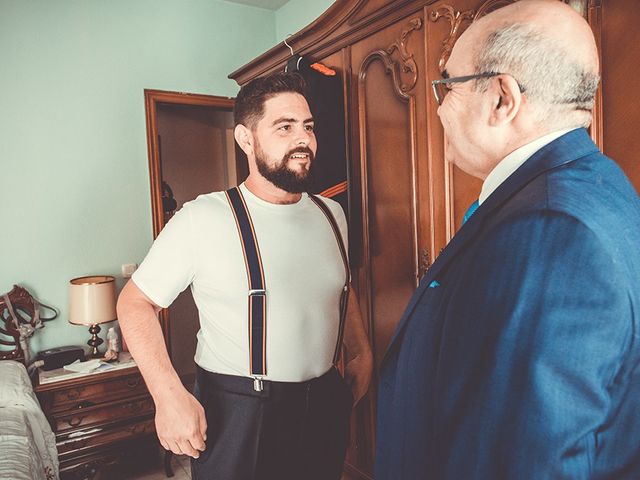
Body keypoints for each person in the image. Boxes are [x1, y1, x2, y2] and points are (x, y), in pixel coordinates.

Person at [375, 1, 640, 478]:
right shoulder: (595, 184)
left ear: (501, 98)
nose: (437, 108)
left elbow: (524, 460)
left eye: (447, 87)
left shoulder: (548, 231)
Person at [117, 72, 372, 480]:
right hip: (240, 412)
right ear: (246, 139)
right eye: (284, 127)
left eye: (307, 127)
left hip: (324, 400)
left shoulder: (332, 213)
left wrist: (360, 350)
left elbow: (341, 286)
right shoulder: (203, 218)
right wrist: (167, 395)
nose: (302, 139)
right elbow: (134, 303)